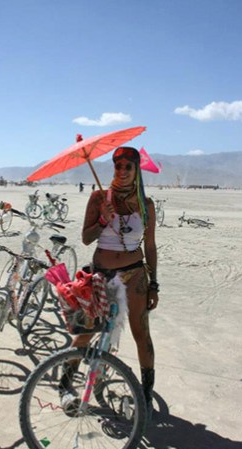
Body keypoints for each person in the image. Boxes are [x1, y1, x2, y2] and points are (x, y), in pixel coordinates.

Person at [60, 146, 159, 419]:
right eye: (118, 166)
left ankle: (146, 395)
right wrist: (103, 218)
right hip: (102, 275)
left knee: (142, 334)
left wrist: (154, 283)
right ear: (112, 168)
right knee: (86, 332)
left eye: (129, 166)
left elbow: (150, 246)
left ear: (137, 169)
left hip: (136, 275)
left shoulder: (146, 204)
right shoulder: (98, 197)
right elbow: (86, 237)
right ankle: (65, 386)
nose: (123, 171)